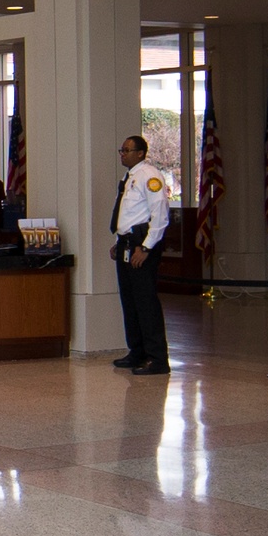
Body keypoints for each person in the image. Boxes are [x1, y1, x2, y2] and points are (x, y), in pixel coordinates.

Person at [110, 132, 174, 374]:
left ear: (140, 153)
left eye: (127, 150)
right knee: (130, 301)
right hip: (128, 243)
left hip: (142, 246)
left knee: (146, 303)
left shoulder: (150, 177)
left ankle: (157, 358)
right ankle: (137, 352)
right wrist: (120, 241)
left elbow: (160, 215)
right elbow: (128, 215)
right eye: (121, 150)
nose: (122, 154)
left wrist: (146, 247)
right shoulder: (130, 177)